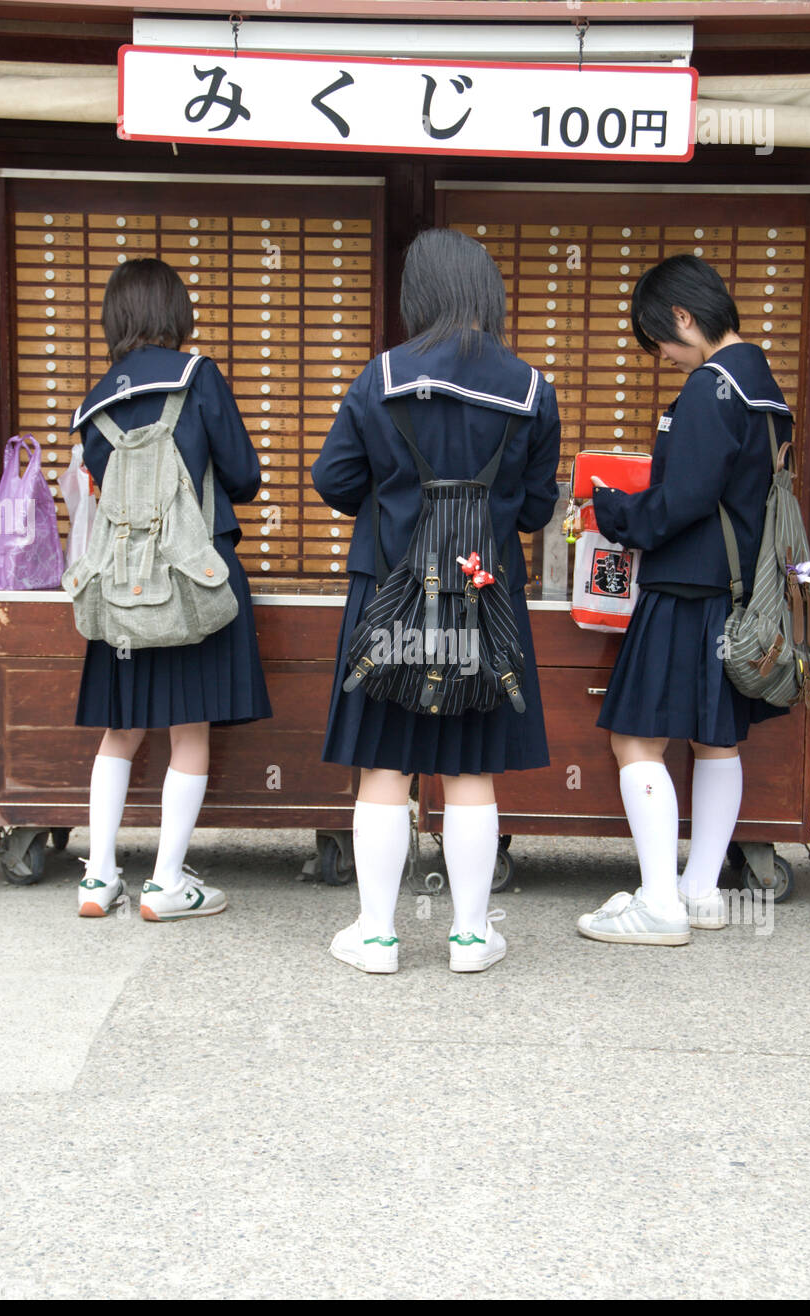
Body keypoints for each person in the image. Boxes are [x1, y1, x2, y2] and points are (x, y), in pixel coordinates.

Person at [312, 228, 560, 974]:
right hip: (483, 601)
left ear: (416, 294)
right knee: (469, 768)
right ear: (488, 291)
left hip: (390, 597)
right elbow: (536, 509)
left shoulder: (381, 375)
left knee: (385, 764)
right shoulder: (529, 387)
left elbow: (333, 481)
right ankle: (471, 938)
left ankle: (379, 937)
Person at [574, 254, 791, 946]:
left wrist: (611, 511)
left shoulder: (710, 387)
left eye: (660, 341)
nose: (663, 358)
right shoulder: (764, 387)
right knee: (716, 739)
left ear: (683, 316)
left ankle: (660, 904)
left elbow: (686, 499)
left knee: (635, 736)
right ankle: (700, 892)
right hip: (738, 593)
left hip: (686, 590)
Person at [70, 257, 271, 921]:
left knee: (120, 732)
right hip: (193, 580)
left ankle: (98, 878)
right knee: (189, 732)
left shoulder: (92, 402)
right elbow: (242, 475)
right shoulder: (199, 377)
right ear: (175, 313)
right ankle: (165, 882)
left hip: (121, 586)